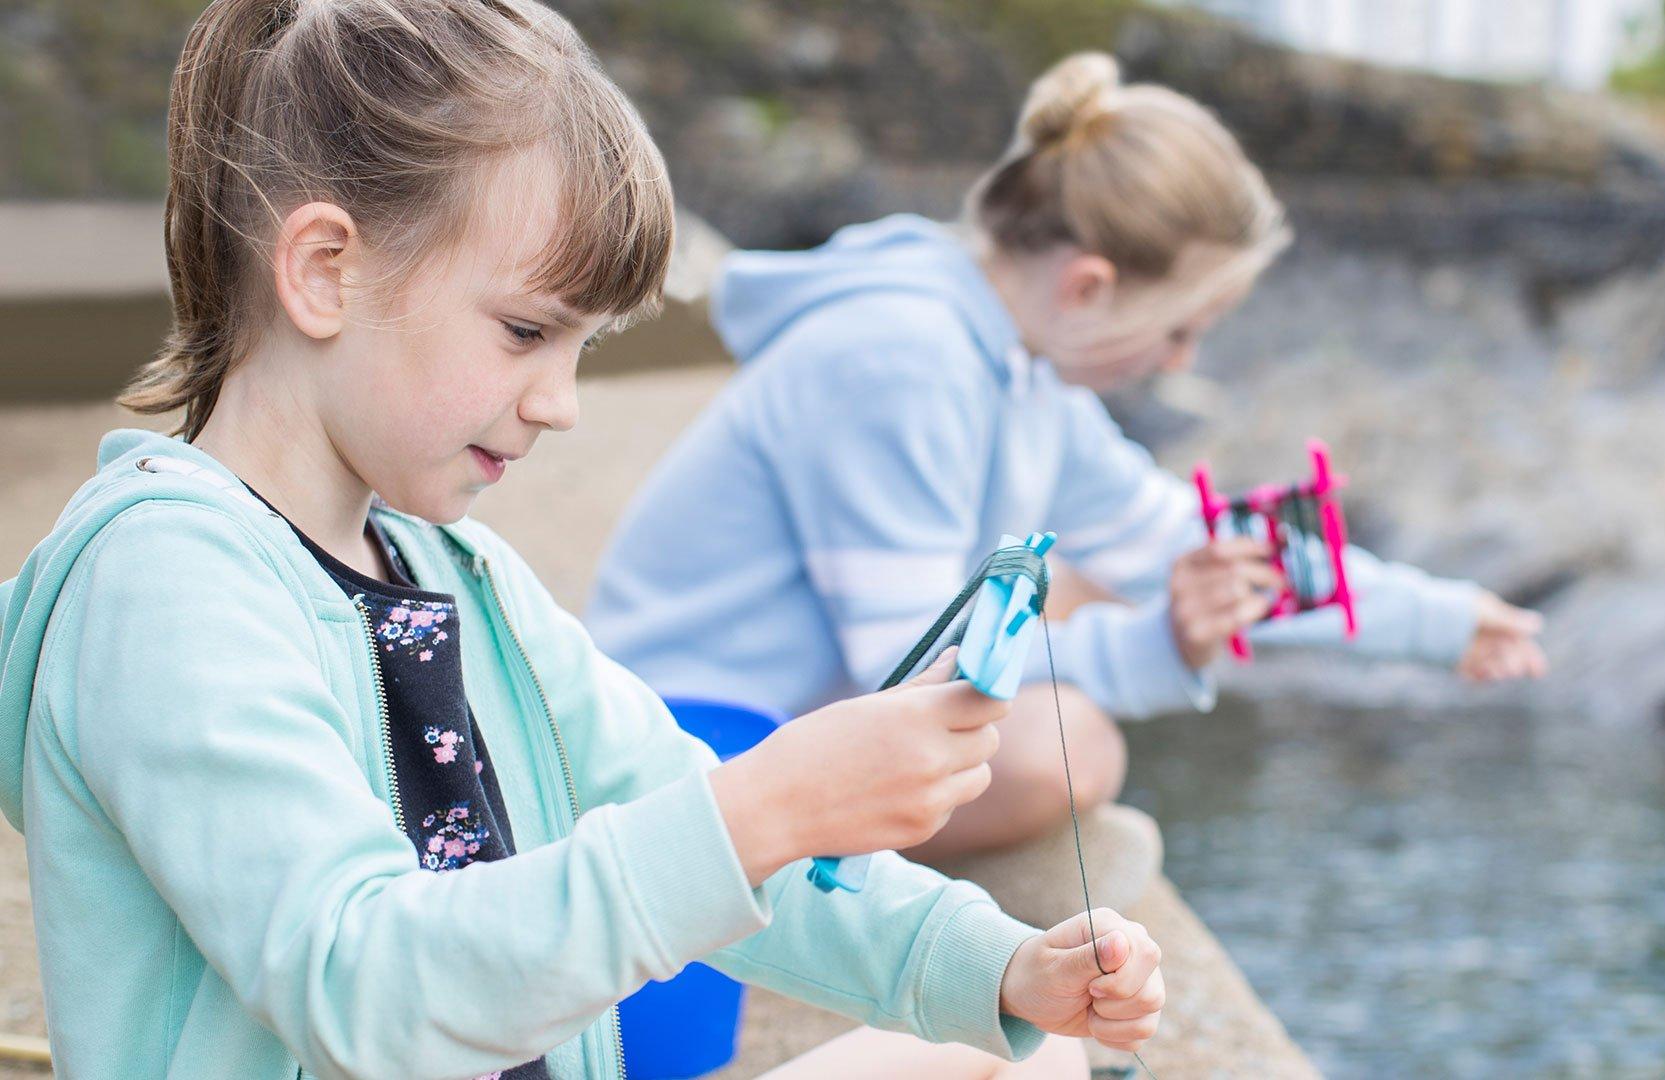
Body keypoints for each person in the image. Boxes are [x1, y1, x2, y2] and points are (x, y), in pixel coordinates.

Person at [0, 4, 1166, 1076]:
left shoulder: (463, 575)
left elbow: (684, 800)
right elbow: (357, 984)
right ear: (322, 271)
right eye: (524, 331)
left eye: (581, 349)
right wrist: (763, 810)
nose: (560, 403)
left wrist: (1001, 967)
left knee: (1022, 1051)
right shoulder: (164, 586)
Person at [587, 52, 1548, 863]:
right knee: (1065, 747)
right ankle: (802, 904)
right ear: (1090, 286)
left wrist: (1439, 620)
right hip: (681, 746)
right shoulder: (899, 358)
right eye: (1180, 331)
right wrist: (1164, 646)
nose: (1181, 364)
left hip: (784, 716)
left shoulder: (1024, 370)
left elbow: (1188, 541)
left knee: (1069, 707)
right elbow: (915, 673)